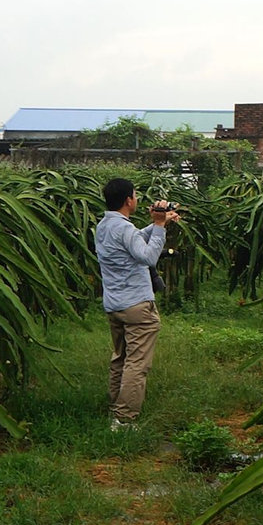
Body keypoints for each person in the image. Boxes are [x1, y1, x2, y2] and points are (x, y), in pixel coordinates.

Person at [97, 177, 177, 431]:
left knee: (120, 357)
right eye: (135, 195)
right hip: (137, 306)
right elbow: (148, 256)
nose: (137, 199)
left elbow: (132, 240)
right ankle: (124, 419)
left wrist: (159, 224)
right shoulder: (125, 229)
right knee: (137, 363)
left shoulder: (105, 225)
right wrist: (159, 226)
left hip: (115, 304)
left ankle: (115, 406)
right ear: (128, 200)